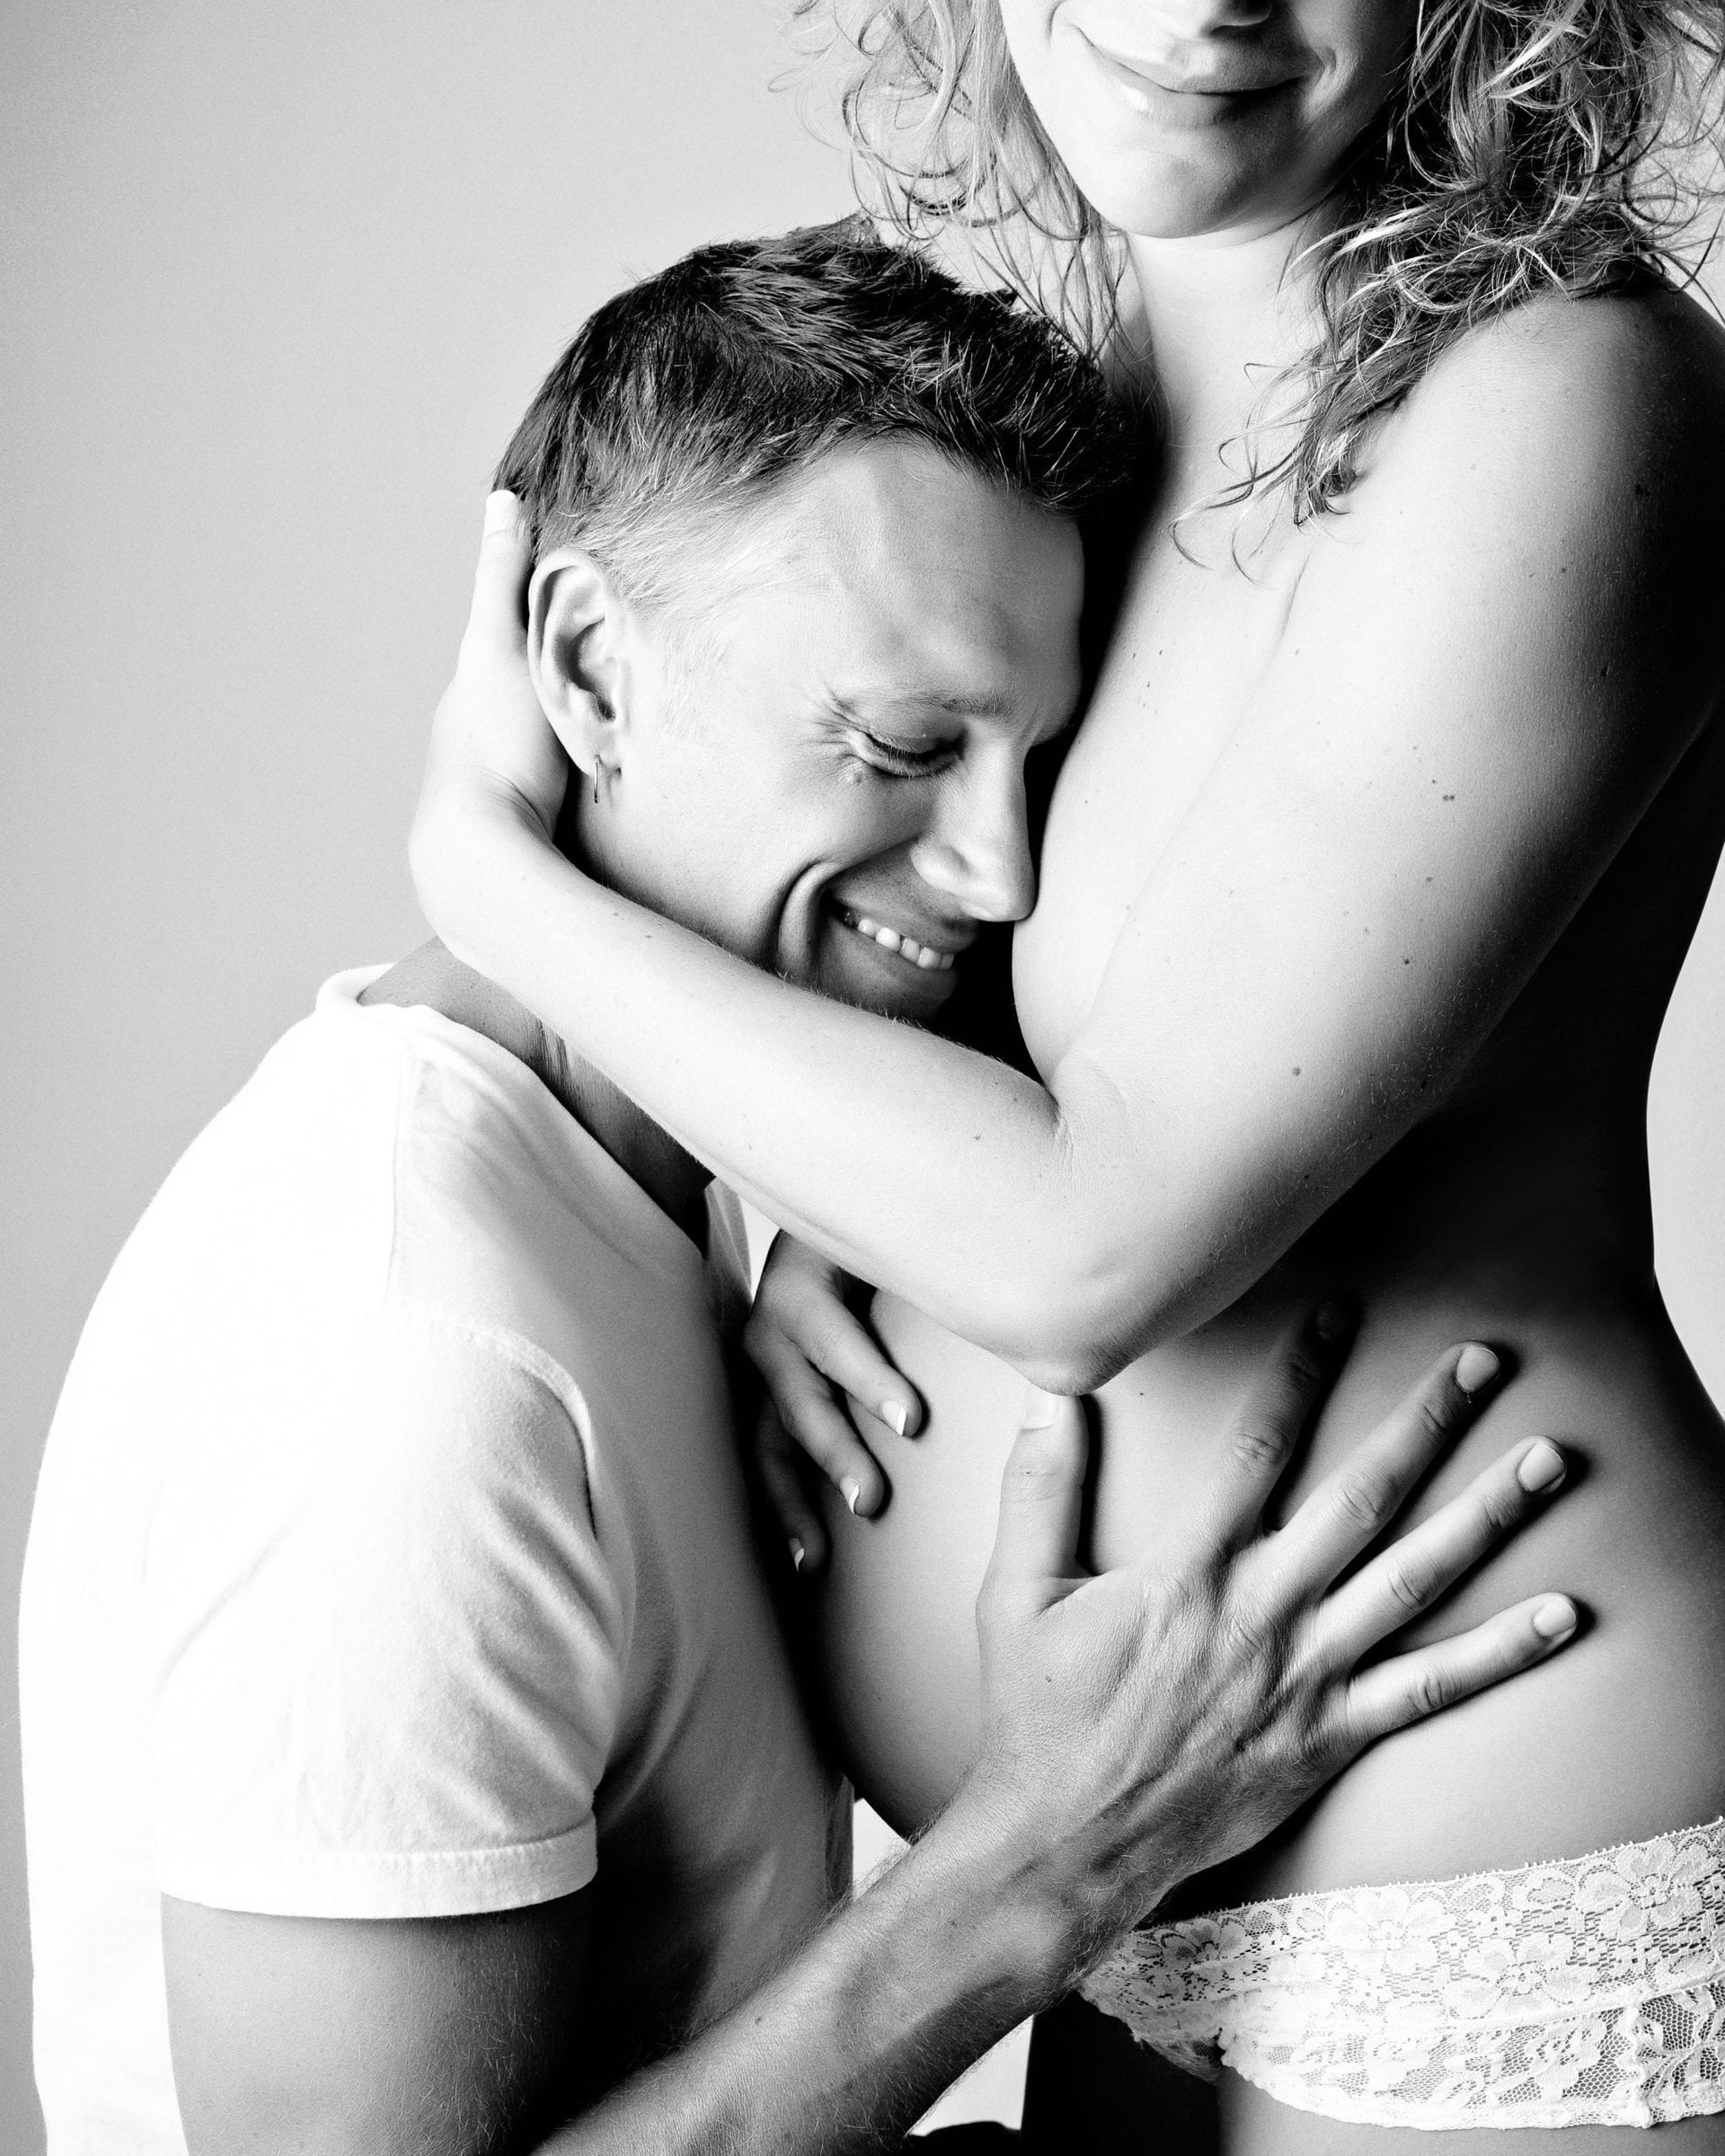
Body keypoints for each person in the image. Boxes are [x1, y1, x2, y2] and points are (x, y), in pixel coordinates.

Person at [16, 227, 1580, 2156]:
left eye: (1046, 765)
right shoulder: (407, 1359)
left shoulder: (647, 1182)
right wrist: (1040, 1868)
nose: (1002, 875)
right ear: (588, 668)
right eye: (906, 748)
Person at [406, 0, 1725, 2146]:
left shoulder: (1560, 391)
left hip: (1467, 1832)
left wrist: (492, 868)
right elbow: (1046, 1005)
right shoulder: (1089, 389)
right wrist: (830, 1212)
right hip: (1109, 1826)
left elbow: (1101, 1233)